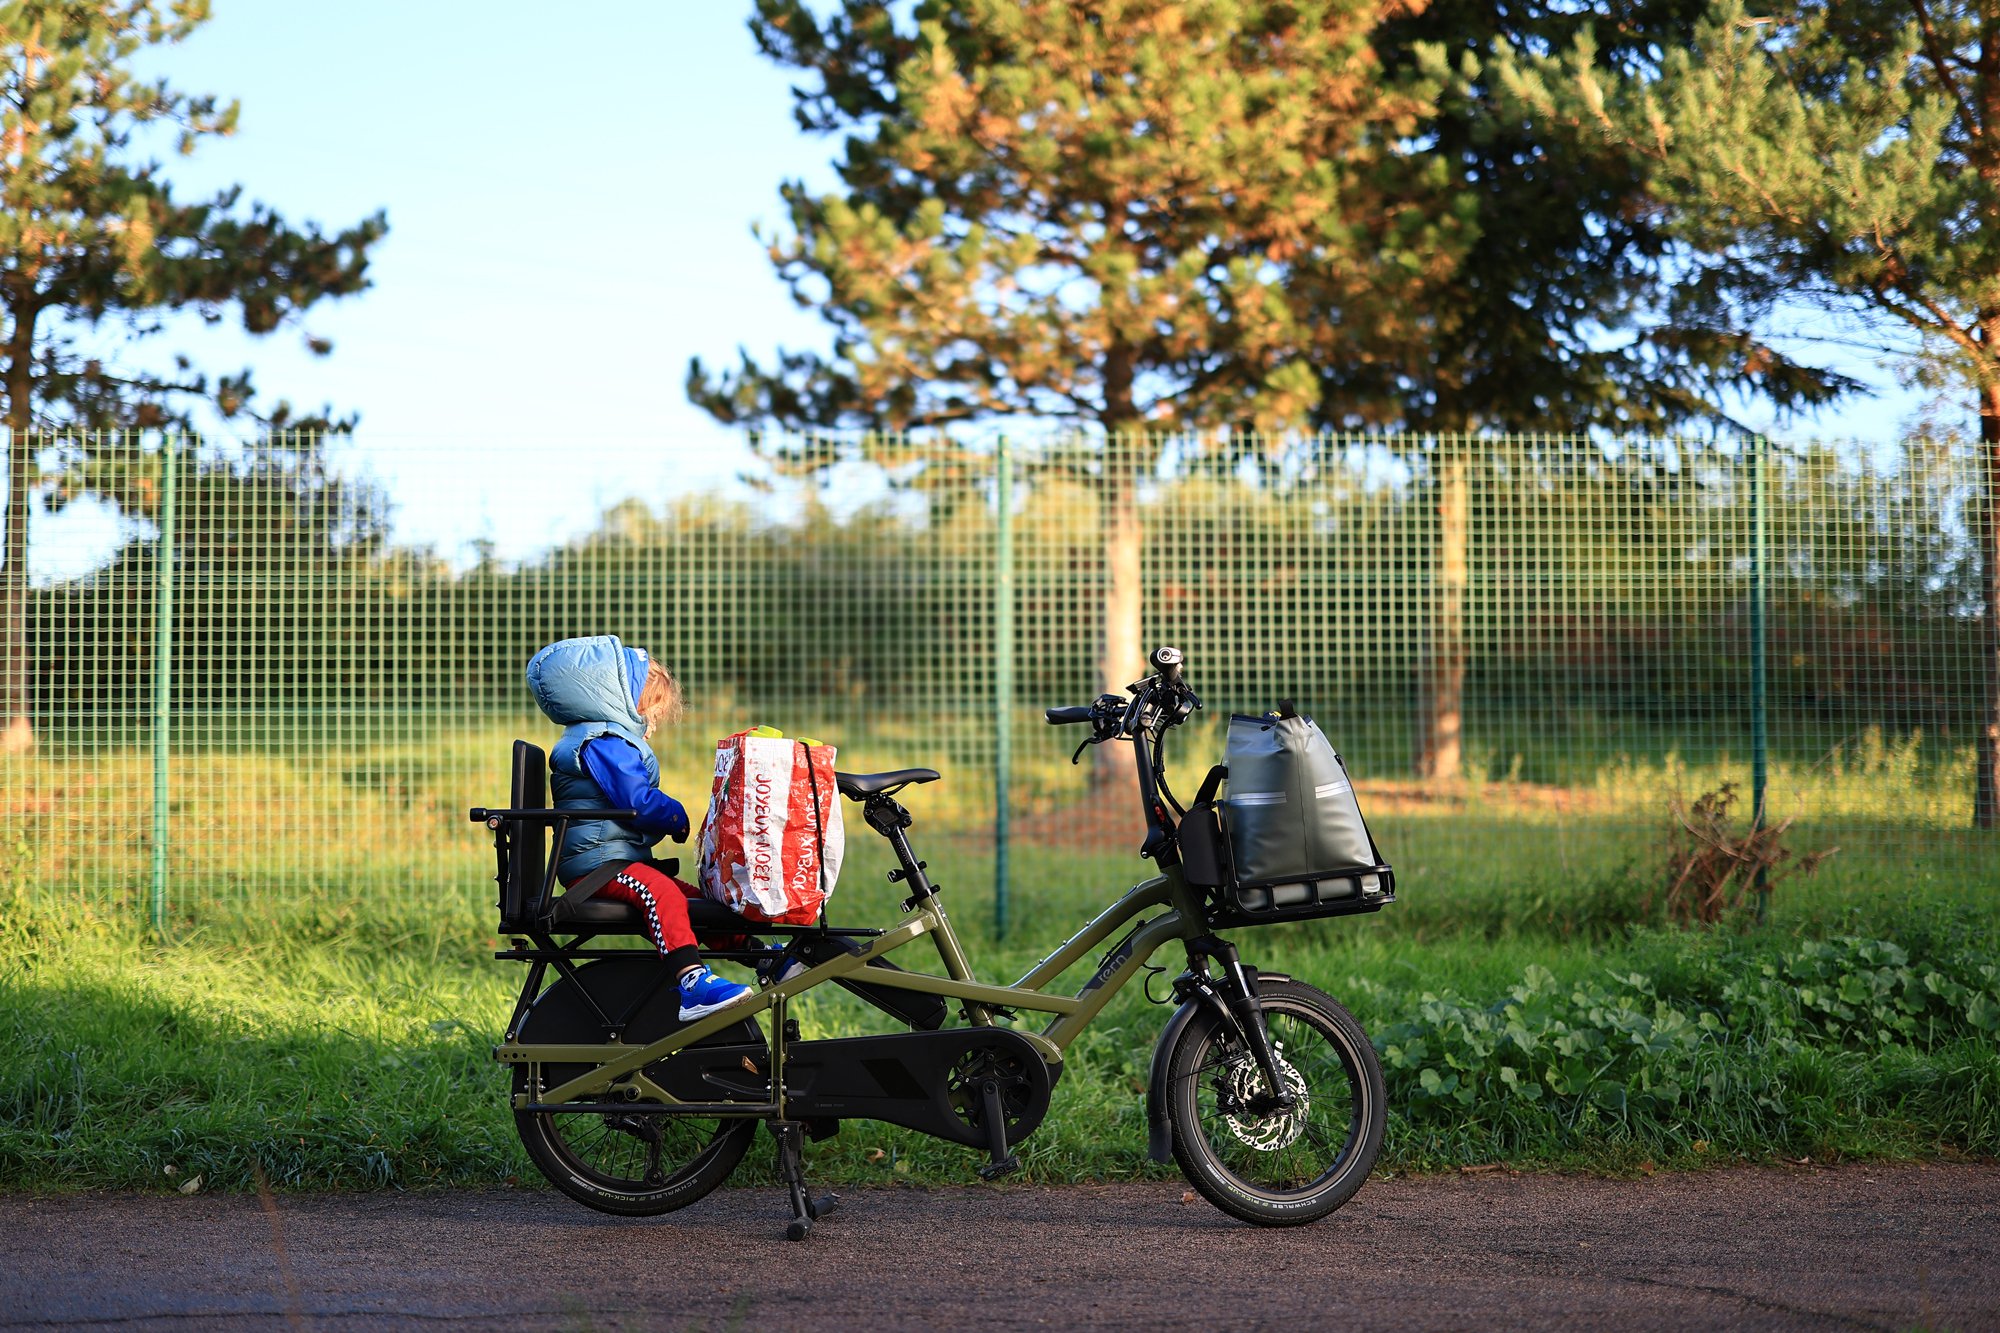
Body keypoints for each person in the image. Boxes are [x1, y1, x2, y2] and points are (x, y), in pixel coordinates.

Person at [525, 634, 753, 1020]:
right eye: (649, 712)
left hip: (612, 860)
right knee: (661, 892)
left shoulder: (598, 739)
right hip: (598, 868)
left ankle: (762, 957)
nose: (651, 724)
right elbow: (637, 803)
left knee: (689, 899)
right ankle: (691, 982)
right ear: (615, 702)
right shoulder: (603, 743)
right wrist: (675, 816)